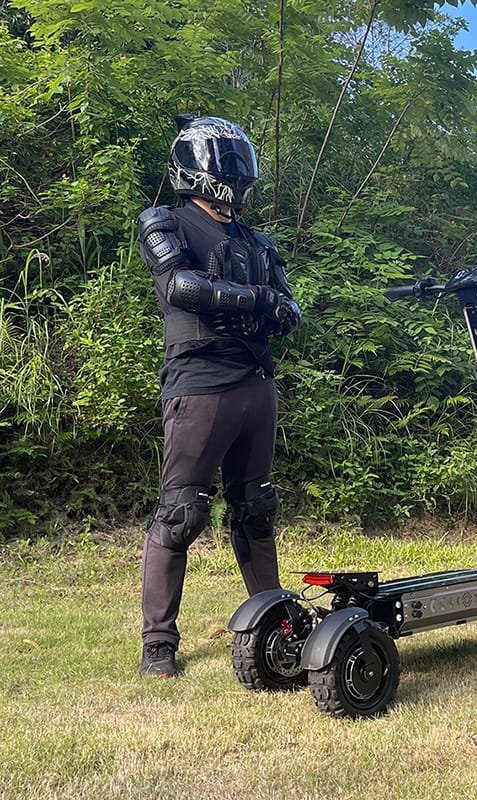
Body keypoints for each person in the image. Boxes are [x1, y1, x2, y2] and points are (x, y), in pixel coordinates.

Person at [136, 115, 301, 678]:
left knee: (256, 509)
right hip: (201, 383)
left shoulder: (256, 240)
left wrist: (274, 307)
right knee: (181, 512)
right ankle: (159, 644)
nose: (234, 172)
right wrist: (259, 300)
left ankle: (279, 628)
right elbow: (181, 287)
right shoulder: (165, 222)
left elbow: (289, 307)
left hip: (257, 383)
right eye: (226, 162)